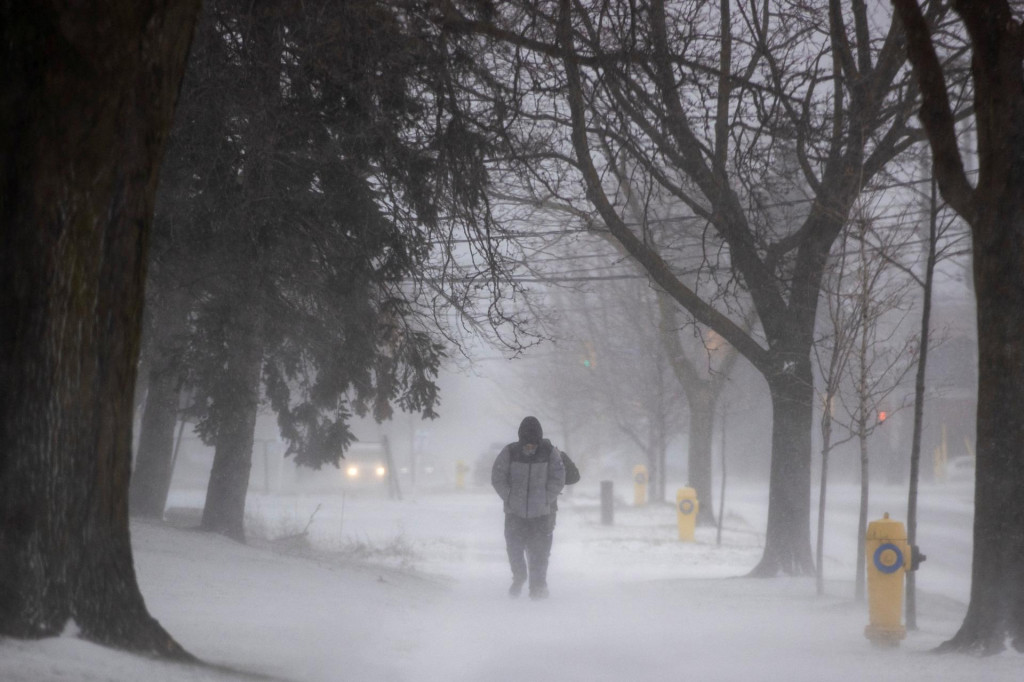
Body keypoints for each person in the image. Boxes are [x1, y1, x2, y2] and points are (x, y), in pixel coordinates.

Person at [492, 416, 566, 599]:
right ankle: (519, 575)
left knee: (540, 553)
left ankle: (538, 587)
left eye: (533, 444)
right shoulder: (509, 452)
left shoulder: (549, 453)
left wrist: (546, 498)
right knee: (514, 548)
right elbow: (498, 477)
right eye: (527, 444)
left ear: (539, 440)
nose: (530, 447)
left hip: (541, 515)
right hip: (514, 513)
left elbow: (559, 478)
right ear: (520, 440)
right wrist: (509, 497)